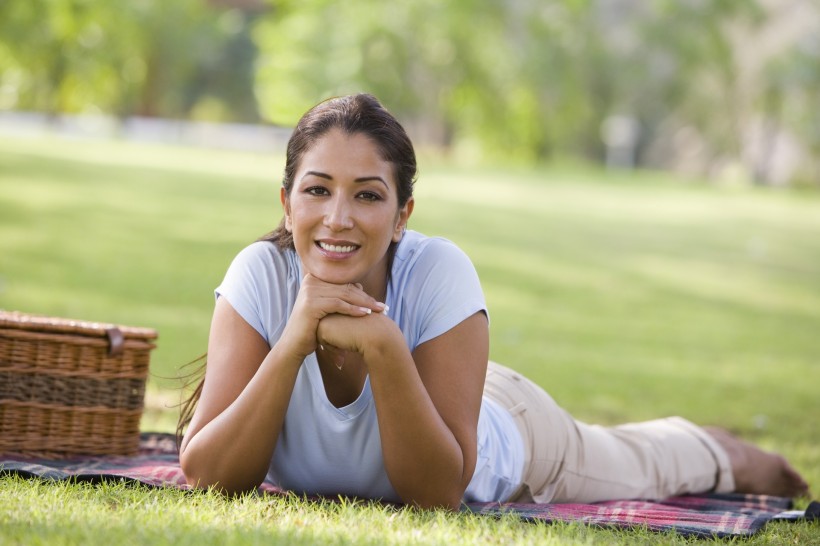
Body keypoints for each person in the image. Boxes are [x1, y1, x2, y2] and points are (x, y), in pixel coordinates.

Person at [178, 93, 809, 510]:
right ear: (286, 204)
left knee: (645, 463)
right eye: (317, 190)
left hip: (508, 428)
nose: (338, 218)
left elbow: (436, 494)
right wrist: (293, 341)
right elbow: (206, 475)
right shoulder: (261, 276)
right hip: (447, 380)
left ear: (402, 216)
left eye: (368, 196)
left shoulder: (438, 271)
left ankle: (725, 450)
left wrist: (384, 344)